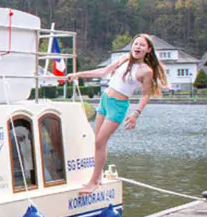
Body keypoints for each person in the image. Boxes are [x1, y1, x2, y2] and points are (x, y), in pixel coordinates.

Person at [67, 34, 167, 194]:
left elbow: (146, 95)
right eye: (136, 44)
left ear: (148, 50)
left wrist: (136, 114)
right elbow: (103, 72)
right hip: (105, 100)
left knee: (100, 142)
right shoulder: (123, 59)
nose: (138, 47)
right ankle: (98, 176)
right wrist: (78, 75)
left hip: (118, 106)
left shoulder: (145, 71)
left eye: (142, 45)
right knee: (98, 141)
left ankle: (93, 182)